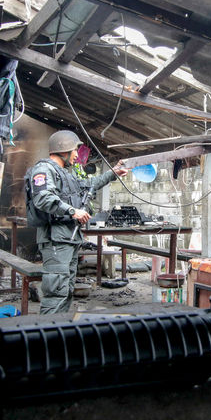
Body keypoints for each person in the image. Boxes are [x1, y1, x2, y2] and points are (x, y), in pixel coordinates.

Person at [25, 130, 129, 314]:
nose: (76, 155)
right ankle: (47, 336)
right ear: (62, 150)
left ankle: (60, 333)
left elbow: (89, 185)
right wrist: (73, 211)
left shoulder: (66, 174)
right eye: (74, 150)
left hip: (69, 240)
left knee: (65, 291)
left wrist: (113, 173)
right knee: (56, 293)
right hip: (56, 241)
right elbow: (42, 198)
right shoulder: (44, 170)